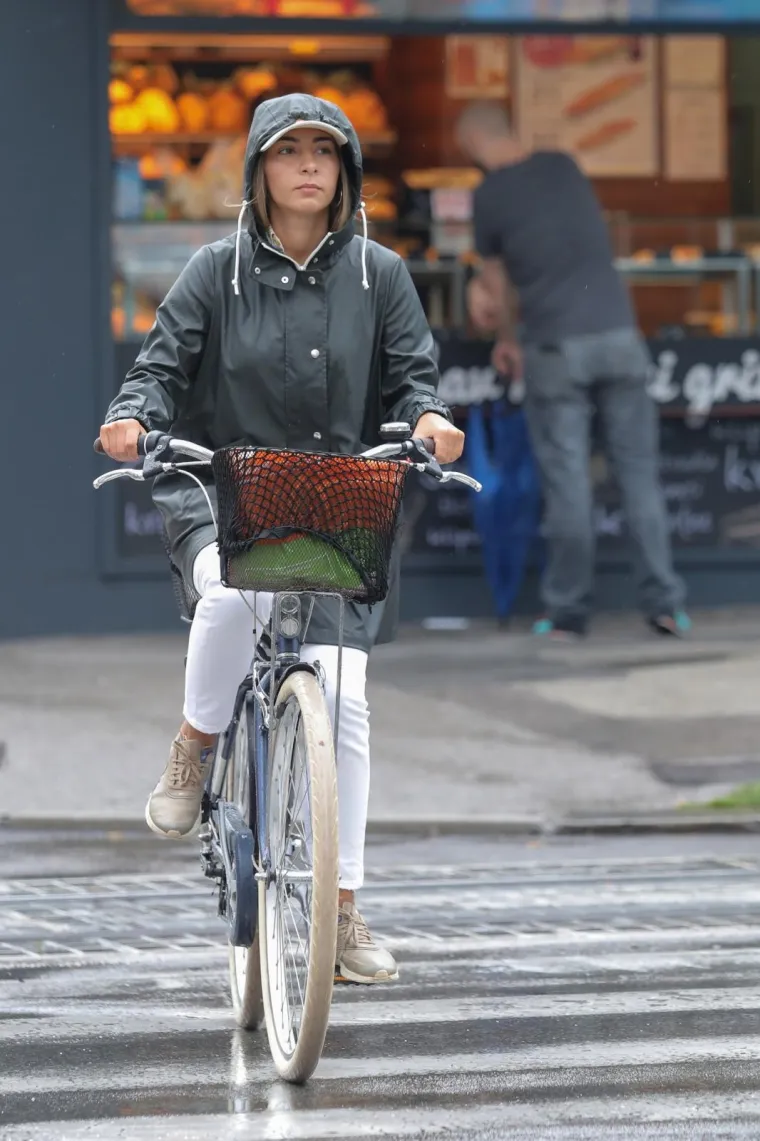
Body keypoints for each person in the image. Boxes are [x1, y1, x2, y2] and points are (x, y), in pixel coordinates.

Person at [99, 93, 464, 983]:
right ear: (260, 167)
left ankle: (341, 907)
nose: (308, 165)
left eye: (324, 152)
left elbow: (415, 380)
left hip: (341, 509)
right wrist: (131, 417)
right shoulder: (213, 270)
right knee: (230, 593)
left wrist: (430, 419)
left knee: (345, 700)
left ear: (345, 171)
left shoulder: (380, 274)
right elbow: (158, 369)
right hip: (228, 496)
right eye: (289, 150)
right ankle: (196, 743)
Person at [456, 102, 688, 640]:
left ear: (469, 145)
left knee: (568, 484)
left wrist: (506, 338)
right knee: (639, 477)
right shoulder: (563, 166)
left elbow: (497, 284)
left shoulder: (489, 195)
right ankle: (665, 605)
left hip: (557, 347)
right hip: (620, 338)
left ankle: (567, 612)